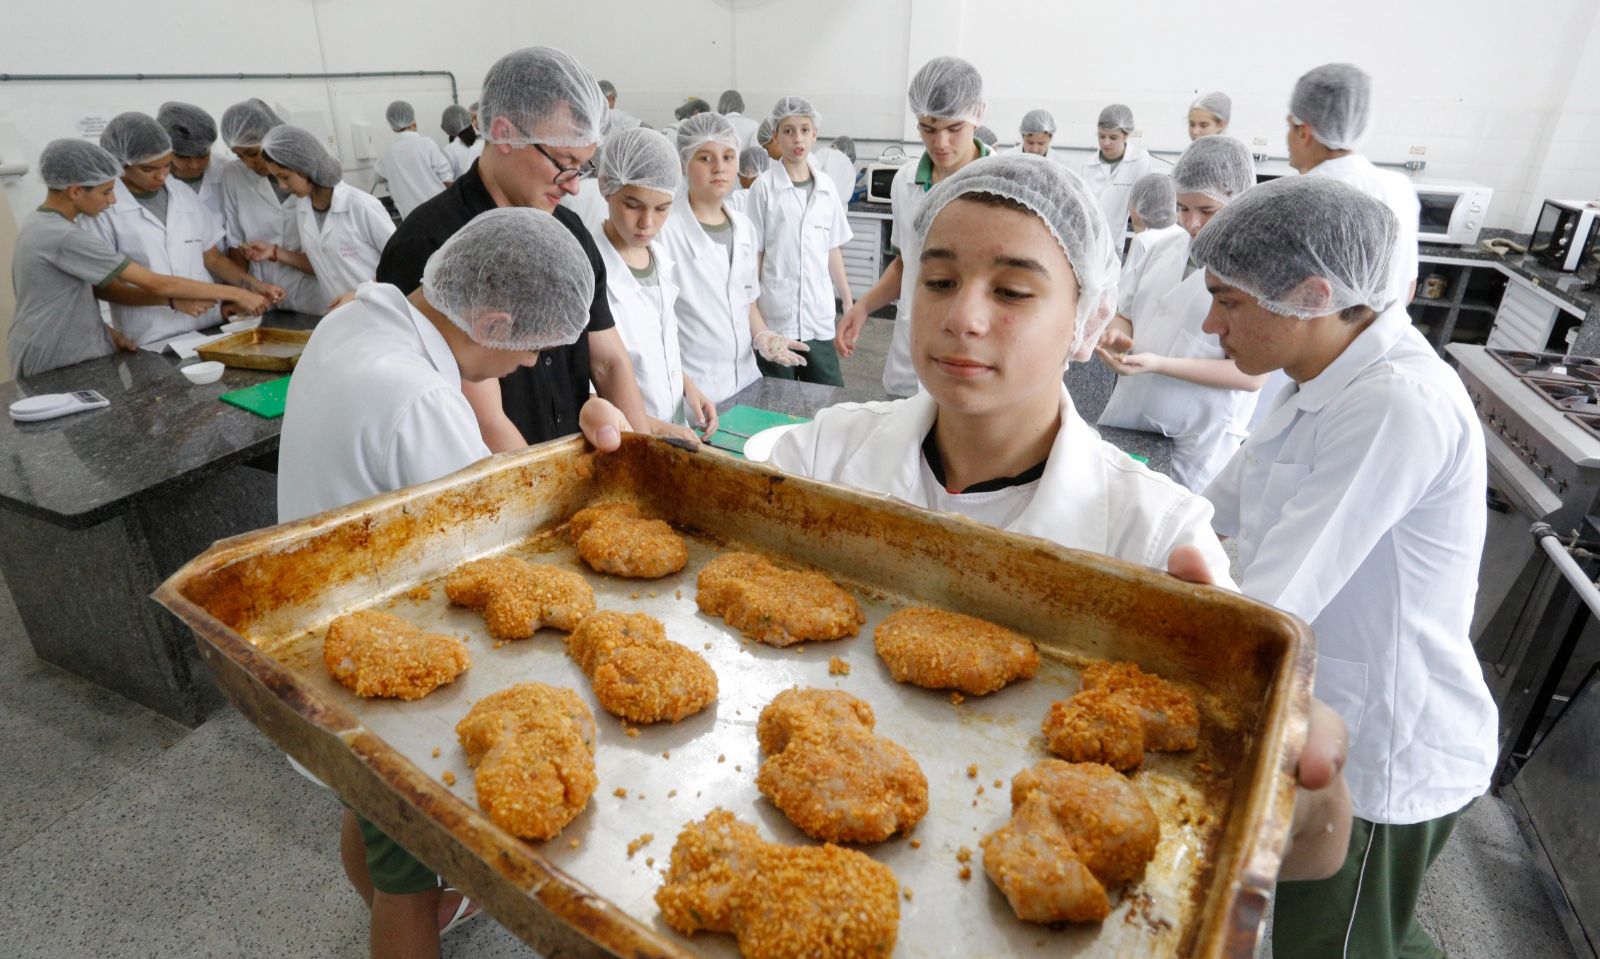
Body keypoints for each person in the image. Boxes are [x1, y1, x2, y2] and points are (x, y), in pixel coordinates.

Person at [278, 207, 631, 959]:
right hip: (383, 656)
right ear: (495, 319)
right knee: (407, 867)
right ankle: (404, 919)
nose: (534, 365)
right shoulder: (419, 400)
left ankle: (396, 904)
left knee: (367, 814)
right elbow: (491, 560)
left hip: (329, 627)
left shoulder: (359, 318)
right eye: (533, 350)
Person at [1193, 176, 1495, 959]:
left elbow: (1276, 600)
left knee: (1340, 946)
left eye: (1228, 302)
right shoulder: (1315, 378)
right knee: (1349, 932)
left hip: (1382, 747)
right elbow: (1209, 509)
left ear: (1313, 293)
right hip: (1325, 713)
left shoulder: (1395, 404)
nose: (1209, 323)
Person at [375, 45, 652, 453]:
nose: (574, 184)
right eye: (564, 161)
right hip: (500, 482)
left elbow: (608, 361)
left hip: (573, 465)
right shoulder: (429, 246)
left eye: (584, 166)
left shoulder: (569, 231)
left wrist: (645, 465)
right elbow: (484, 422)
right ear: (504, 133)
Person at [8, 139, 267, 377]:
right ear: (75, 191)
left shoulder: (39, 223)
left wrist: (107, 333)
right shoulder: (65, 236)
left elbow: (64, 296)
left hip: (67, 346)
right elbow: (156, 283)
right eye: (106, 192)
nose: (111, 201)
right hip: (59, 355)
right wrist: (237, 293)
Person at [1096, 136, 1266, 493]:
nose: (1191, 222)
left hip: (1194, 442)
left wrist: (1158, 364)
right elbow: (1125, 312)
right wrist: (1117, 336)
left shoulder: (1256, 273)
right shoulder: (1162, 248)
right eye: (1182, 207)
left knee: (1168, 538)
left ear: (1239, 202)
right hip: (1129, 419)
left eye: (1207, 210)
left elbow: (1251, 376)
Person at [837, 56, 991, 396]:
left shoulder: (1002, 183)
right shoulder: (905, 182)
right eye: (928, 128)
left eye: (954, 129)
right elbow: (905, 261)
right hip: (912, 345)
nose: (941, 143)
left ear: (977, 116)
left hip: (974, 349)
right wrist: (862, 307)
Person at [86, 112, 282, 347]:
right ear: (120, 163)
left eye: (167, 165)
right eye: (149, 169)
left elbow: (213, 259)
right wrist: (169, 300)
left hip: (209, 325)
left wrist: (253, 285)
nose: (161, 176)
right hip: (152, 334)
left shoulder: (181, 193)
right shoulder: (102, 211)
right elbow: (104, 289)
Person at [659, 112, 808, 406]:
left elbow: (746, 300)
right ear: (683, 163)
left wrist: (764, 336)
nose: (719, 168)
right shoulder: (665, 232)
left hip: (747, 382)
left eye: (728, 157)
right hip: (695, 391)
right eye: (705, 158)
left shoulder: (743, 227)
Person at [587, 126, 718, 440]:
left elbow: (659, 349)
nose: (647, 223)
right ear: (607, 187)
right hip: (625, 438)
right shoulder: (589, 271)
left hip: (673, 426)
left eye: (661, 209)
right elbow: (589, 392)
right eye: (632, 205)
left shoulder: (659, 259)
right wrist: (656, 429)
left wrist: (688, 387)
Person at [1287, 63, 1419, 309]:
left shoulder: (1301, 196)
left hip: (1320, 344)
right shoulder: (1399, 187)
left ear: (1304, 131)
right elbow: (1409, 286)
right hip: (1386, 336)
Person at [744, 96, 854, 386]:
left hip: (818, 317)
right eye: (789, 131)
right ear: (776, 136)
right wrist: (750, 308)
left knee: (828, 397)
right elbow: (755, 254)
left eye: (805, 129)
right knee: (777, 400)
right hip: (777, 317)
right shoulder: (763, 188)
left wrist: (848, 301)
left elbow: (832, 248)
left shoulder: (827, 187)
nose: (798, 138)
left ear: (815, 134)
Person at [244, 125, 395, 309]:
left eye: (285, 177)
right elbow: (322, 264)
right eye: (277, 178)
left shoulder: (361, 206)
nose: (282, 186)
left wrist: (360, 294)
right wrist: (275, 252)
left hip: (381, 311)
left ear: (306, 168)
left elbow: (402, 261)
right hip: (342, 318)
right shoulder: (303, 208)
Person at [217, 98, 326, 314]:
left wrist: (277, 253)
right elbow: (236, 244)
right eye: (240, 155)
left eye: (252, 153)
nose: (249, 164)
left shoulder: (312, 171)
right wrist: (239, 295)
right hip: (263, 293)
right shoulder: (233, 174)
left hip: (315, 291)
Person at [1114, 173, 1189, 332]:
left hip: (1137, 324)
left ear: (1140, 207)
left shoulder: (1142, 241)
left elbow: (1123, 300)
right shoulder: (1180, 234)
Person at [1078, 104, 1154, 249]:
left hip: (1115, 243)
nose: (1106, 143)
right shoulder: (1086, 166)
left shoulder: (1139, 159)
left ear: (1126, 135)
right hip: (1086, 241)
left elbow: (1140, 206)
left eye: (1113, 137)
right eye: (1101, 136)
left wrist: (1141, 248)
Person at [374, 100, 454, 219]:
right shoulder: (427, 144)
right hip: (440, 212)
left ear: (393, 127)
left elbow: (377, 177)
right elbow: (447, 180)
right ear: (413, 121)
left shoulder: (388, 154)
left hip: (412, 221)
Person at [156, 101, 224, 223]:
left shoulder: (227, 173)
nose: (195, 165)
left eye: (202, 155)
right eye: (183, 157)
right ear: (165, 151)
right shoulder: (150, 179)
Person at [439, 104, 483, 180]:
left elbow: (447, 180)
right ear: (468, 121)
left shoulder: (448, 150)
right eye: (473, 119)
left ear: (447, 127)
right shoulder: (483, 144)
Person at [725, 145, 768, 214]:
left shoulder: (738, 198)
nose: (739, 180)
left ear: (749, 170)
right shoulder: (772, 195)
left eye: (740, 175)